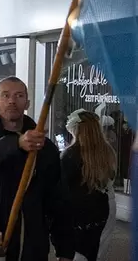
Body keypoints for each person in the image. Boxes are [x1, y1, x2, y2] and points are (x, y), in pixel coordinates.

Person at [0, 77, 73, 261]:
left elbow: (57, 200)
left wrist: (65, 250)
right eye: (5, 95)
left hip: (30, 240)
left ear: (27, 102)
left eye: (19, 95)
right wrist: (16, 143)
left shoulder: (45, 148)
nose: (12, 101)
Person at [62, 110, 116, 261]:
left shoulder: (69, 155)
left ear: (75, 130)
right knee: (98, 252)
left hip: (79, 215)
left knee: (77, 254)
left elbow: (61, 188)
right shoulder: (108, 151)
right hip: (105, 209)